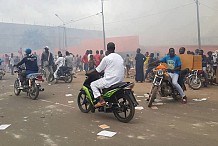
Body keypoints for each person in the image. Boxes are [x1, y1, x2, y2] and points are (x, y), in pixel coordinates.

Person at [86, 42, 124, 108]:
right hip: (120, 80)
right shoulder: (119, 57)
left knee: (93, 84)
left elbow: (97, 70)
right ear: (114, 48)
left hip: (110, 80)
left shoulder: (107, 58)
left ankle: (101, 100)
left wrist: (88, 73)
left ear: (107, 49)